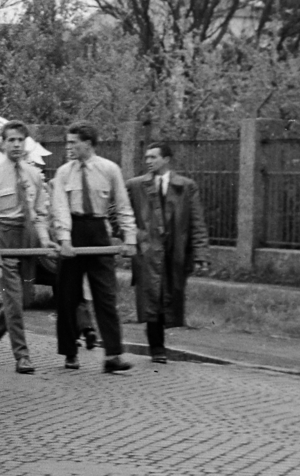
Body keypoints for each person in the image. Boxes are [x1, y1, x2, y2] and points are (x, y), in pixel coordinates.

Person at [49, 122, 138, 374]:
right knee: (67, 296)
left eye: (73, 142)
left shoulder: (110, 169)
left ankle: (113, 355)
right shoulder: (64, 172)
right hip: (73, 231)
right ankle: (69, 352)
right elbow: (60, 208)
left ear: (87, 144)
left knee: (105, 296)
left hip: (99, 233)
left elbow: (122, 206)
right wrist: (65, 239)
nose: (69, 147)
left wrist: (129, 239)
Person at [0, 121, 53, 375]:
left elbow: (41, 212)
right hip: (4, 240)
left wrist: (44, 240)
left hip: (28, 240)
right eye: (11, 140)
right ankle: (22, 355)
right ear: (3, 143)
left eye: (21, 140)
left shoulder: (34, 176)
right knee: (14, 298)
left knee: (20, 299)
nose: (17, 145)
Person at [128, 141, 210, 364]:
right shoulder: (136, 186)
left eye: (153, 157)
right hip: (147, 253)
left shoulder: (185, 186)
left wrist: (201, 254)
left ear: (166, 159)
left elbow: (196, 221)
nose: (148, 161)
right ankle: (157, 348)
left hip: (175, 252)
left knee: (168, 296)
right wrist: (133, 236)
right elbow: (118, 212)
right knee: (151, 298)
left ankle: (160, 343)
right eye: (146, 158)